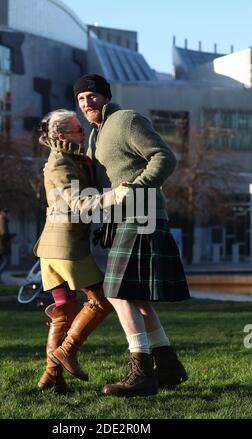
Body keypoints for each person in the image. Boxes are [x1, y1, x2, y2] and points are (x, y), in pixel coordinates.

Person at [73, 73, 191, 397]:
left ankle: (141, 373)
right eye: (81, 99)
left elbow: (165, 157)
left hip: (144, 212)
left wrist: (136, 189)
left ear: (105, 96)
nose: (87, 103)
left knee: (115, 291)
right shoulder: (94, 136)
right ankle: (168, 366)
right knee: (135, 297)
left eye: (92, 96)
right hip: (124, 217)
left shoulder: (126, 120)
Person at [34, 109, 128, 394]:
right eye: (77, 130)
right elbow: (79, 203)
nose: (83, 132)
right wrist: (118, 195)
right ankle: (67, 351)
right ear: (61, 135)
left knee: (64, 312)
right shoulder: (60, 163)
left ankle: (52, 377)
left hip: (53, 249)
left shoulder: (69, 159)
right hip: (66, 248)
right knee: (103, 299)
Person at [0, 208, 16, 283]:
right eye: (9, 214)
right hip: (3, 245)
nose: (10, 216)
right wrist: (12, 235)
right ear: (5, 214)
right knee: (7, 261)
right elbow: (4, 233)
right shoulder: (2, 221)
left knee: (0, 262)